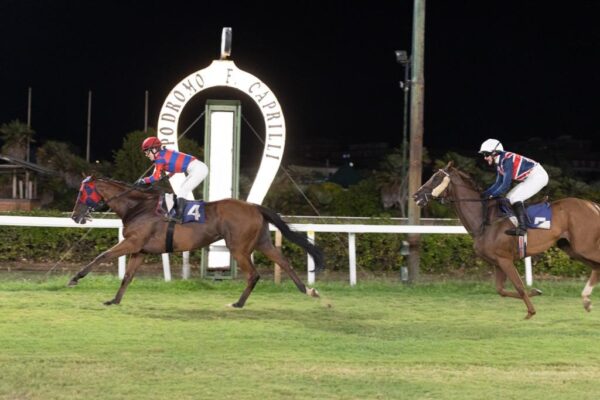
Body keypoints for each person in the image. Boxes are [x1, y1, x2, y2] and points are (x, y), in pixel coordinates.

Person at [478, 138, 549, 236]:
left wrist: (491, 195)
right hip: (531, 176)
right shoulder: (499, 162)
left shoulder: (506, 160)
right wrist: (484, 194)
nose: (485, 158)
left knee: (515, 198)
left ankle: (522, 228)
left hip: (539, 176)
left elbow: (505, 185)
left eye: (486, 154)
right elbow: (498, 183)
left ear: (495, 153)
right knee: (508, 197)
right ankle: (518, 221)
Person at [136, 137, 208, 222]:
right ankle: (179, 212)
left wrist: (143, 180)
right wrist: (169, 176)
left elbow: (155, 177)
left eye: (147, 152)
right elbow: (176, 166)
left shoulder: (159, 158)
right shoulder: (163, 153)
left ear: (154, 149)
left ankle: (178, 216)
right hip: (198, 168)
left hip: (198, 169)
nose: (147, 155)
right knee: (182, 188)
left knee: (183, 190)